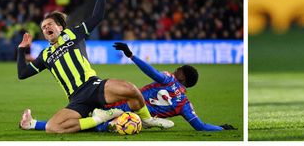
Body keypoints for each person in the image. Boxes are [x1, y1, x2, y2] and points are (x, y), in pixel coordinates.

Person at [16, 0, 173, 133]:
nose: (46, 28)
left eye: (49, 24)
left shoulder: (73, 34)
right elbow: (22, 74)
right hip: (76, 99)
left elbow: (97, 17)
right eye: (43, 27)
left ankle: (147, 119)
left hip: (94, 86)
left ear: (60, 27)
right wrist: (21, 49)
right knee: (52, 127)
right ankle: (101, 118)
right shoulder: (45, 55)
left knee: (130, 89)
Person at [26, 42, 237, 132]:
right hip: (137, 118)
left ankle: (34, 124)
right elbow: (200, 126)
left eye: (180, 69)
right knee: (90, 122)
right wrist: (221, 128)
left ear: (183, 76)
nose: (176, 68)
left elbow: (151, 73)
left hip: (121, 107)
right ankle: (144, 122)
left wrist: (131, 55)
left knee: (86, 121)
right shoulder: (185, 105)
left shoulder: (169, 79)